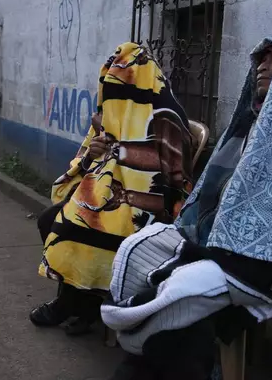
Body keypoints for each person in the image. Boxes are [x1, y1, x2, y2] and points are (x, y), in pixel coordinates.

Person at [101, 32, 272, 380]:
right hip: (221, 238)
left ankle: (154, 359)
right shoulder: (250, 124)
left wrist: (249, 234)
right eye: (261, 60)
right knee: (138, 250)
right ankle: (157, 345)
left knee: (188, 294)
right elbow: (217, 191)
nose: (263, 67)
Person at [30, 42, 198, 335]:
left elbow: (175, 183)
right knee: (51, 219)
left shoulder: (167, 119)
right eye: (110, 89)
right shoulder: (112, 113)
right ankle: (79, 301)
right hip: (104, 199)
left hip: (150, 209)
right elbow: (85, 165)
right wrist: (93, 155)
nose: (115, 98)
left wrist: (125, 161)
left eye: (122, 90)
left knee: (75, 229)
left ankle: (74, 305)